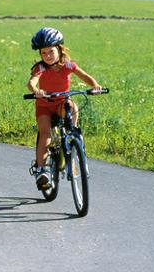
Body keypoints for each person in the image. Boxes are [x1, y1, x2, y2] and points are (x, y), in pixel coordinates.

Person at [26, 27, 101, 190]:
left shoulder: (68, 65)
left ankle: (72, 136)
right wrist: (36, 90)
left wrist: (95, 85)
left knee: (71, 106)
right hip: (44, 106)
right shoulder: (41, 68)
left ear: (59, 49)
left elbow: (84, 76)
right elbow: (31, 82)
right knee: (45, 133)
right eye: (43, 53)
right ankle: (41, 170)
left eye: (51, 52)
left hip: (61, 103)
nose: (47, 56)